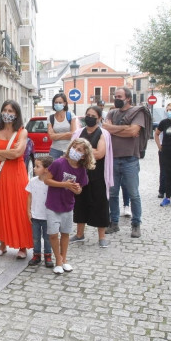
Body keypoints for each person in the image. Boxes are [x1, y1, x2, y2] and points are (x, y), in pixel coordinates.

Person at [0, 100, 33, 259]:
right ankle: (2, 244)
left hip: (17, 175)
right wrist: (7, 154)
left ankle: (22, 246)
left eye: (11, 111)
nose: (7, 113)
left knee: (20, 209)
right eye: (5, 110)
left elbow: (18, 154)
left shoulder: (22, 132)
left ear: (17, 114)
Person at [44, 138, 93, 274]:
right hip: (53, 204)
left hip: (68, 205)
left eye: (79, 150)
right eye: (74, 147)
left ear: (84, 155)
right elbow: (47, 180)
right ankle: (58, 260)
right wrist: (64, 184)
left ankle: (63, 260)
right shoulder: (59, 163)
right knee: (53, 234)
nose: (75, 151)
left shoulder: (82, 170)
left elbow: (80, 190)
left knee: (65, 233)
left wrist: (76, 188)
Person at [103, 87, 144, 238]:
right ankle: (113, 223)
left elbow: (133, 132)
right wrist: (124, 128)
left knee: (133, 194)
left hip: (130, 159)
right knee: (112, 193)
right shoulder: (112, 112)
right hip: (112, 158)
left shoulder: (137, 112)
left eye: (119, 96)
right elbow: (106, 129)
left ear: (128, 98)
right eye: (115, 96)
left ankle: (136, 224)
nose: (116, 98)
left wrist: (114, 128)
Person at [69, 105, 112, 247]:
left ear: (99, 118)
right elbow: (72, 150)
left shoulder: (102, 133)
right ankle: (79, 234)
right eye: (88, 115)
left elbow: (100, 154)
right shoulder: (79, 132)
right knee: (80, 203)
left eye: (93, 116)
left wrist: (83, 150)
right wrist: (87, 150)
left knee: (100, 204)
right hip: (80, 173)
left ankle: (102, 236)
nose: (90, 118)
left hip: (98, 174)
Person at [26, 156, 54, 267]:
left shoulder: (51, 183)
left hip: (47, 216)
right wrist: (28, 211)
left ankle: (48, 255)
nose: (34, 168)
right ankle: (36, 255)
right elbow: (29, 196)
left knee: (47, 238)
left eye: (38, 166)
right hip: (35, 215)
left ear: (46, 169)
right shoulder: (33, 181)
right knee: (35, 237)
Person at [47, 93, 79, 159]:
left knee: (68, 169)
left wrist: (56, 135)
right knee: (53, 169)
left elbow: (73, 134)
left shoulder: (70, 115)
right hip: (55, 150)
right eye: (56, 102)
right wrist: (67, 133)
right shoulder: (50, 118)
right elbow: (51, 136)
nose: (58, 104)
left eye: (60, 102)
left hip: (69, 149)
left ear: (64, 103)